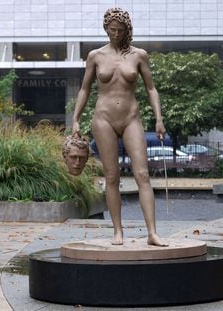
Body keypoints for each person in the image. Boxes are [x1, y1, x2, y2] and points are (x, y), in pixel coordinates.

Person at [72, 7, 167, 247]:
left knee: (142, 174)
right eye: (112, 29)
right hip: (103, 118)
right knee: (112, 176)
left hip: (131, 117)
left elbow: (151, 88)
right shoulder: (95, 56)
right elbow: (84, 88)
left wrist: (159, 118)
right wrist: (75, 119)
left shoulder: (139, 55)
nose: (115, 33)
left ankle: (152, 233)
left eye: (120, 30)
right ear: (106, 28)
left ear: (127, 30)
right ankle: (117, 231)